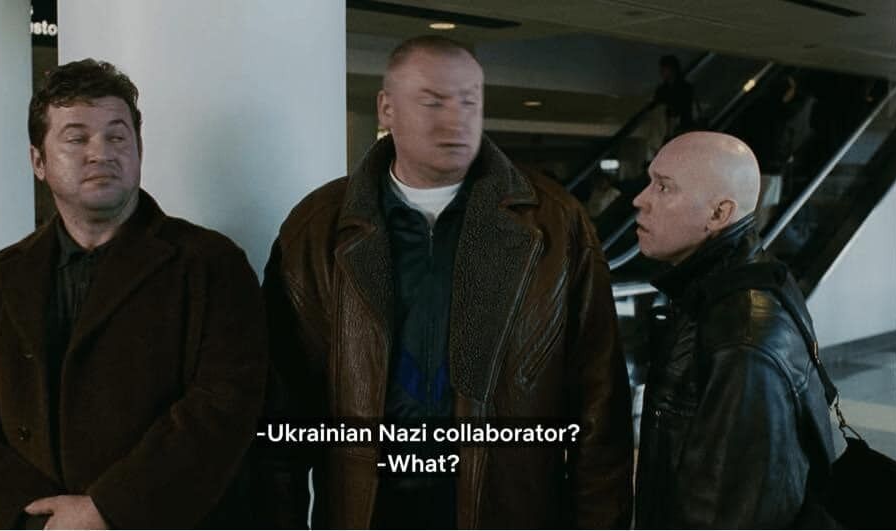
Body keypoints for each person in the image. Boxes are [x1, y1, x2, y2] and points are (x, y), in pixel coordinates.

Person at [261, 35, 633, 529]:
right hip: (369, 512)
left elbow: (600, 404)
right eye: (433, 101)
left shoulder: (554, 225)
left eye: (469, 101)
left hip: (511, 512)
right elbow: (279, 408)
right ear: (387, 108)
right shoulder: (318, 228)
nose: (455, 119)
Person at [0, 59, 267, 529]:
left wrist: (108, 509)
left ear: (139, 150)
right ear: (38, 161)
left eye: (117, 137)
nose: (102, 153)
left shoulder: (209, 264)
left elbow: (224, 405)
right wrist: (30, 516)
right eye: (77, 138)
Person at [632, 131, 836, 527]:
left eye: (663, 187)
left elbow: (728, 511)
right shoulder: (714, 294)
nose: (640, 199)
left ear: (718, 214)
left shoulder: (741, 336)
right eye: (649, 181)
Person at [653, 55, 695, 142]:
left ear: (673, 69)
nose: (661, 71)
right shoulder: (661, 90)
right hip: (665, 129)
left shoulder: (685, 89)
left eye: (664, 69)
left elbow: (685, 109)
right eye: (662, 68)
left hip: (682, 129)